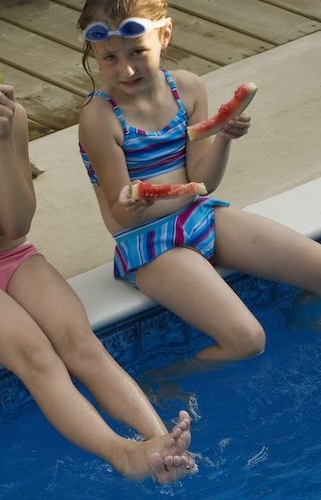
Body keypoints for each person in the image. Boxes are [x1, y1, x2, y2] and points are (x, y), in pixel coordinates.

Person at [0, 7, 196, 483]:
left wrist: (7, 142)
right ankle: (122, 453)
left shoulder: (11, 119)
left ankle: (160, 443)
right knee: (37, 357)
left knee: (82, 344)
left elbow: (16, 225)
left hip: (15, 255)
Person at [76, 0, 321, 360]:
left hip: (200, 215)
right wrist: (136, 203)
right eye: (110, 58)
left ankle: (302, 320)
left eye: (138, 52)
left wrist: (223, 138)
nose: (126, 69)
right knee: (248, 340)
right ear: (94, 53)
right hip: (148, 243)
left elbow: (203, 181)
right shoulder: (99, 118)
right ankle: (165, 381)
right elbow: (121, 215)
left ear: (165, 35)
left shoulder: (187, 88)